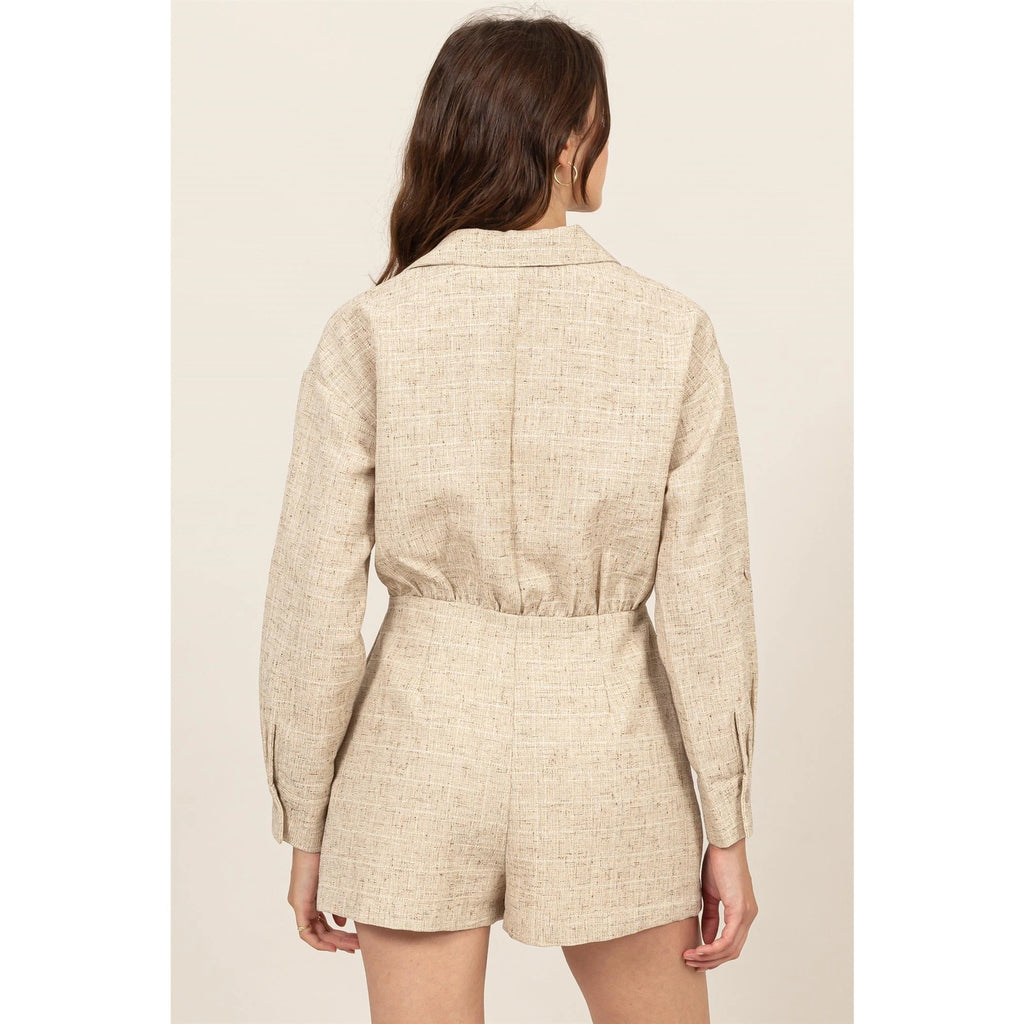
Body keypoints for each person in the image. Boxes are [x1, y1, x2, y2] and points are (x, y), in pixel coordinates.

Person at [258, 9, 759, 1023]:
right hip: (609, 749)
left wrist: (305, 821)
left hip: (416, 750)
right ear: (568, 139)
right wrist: (728, 823)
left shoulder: (372, 329)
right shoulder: (670, 331)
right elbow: (708, 605)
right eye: (603, 123)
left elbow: (311, 602)